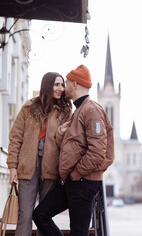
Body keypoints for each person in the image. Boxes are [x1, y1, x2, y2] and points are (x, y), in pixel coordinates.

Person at [33, 65, 114, 236]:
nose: (64, 88)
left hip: (83, 181)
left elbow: (98, 151)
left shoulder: (91, 109)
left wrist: (77, 173)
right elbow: (77, 146)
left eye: (67, 83)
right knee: (40, 215)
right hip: (73, 180)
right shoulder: (80, 110)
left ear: (75, 85)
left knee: (78, 232)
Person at [7, 72, 72, 236]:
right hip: (27, 166)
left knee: (43, 215)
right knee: (25, 215)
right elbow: (15, 138)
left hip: (51, 167)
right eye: (57, 84)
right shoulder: (29, 107)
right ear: (47, 85)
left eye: (62, 85)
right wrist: (12, 167)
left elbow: (68, 143)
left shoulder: (65, 111)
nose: (61, 88)